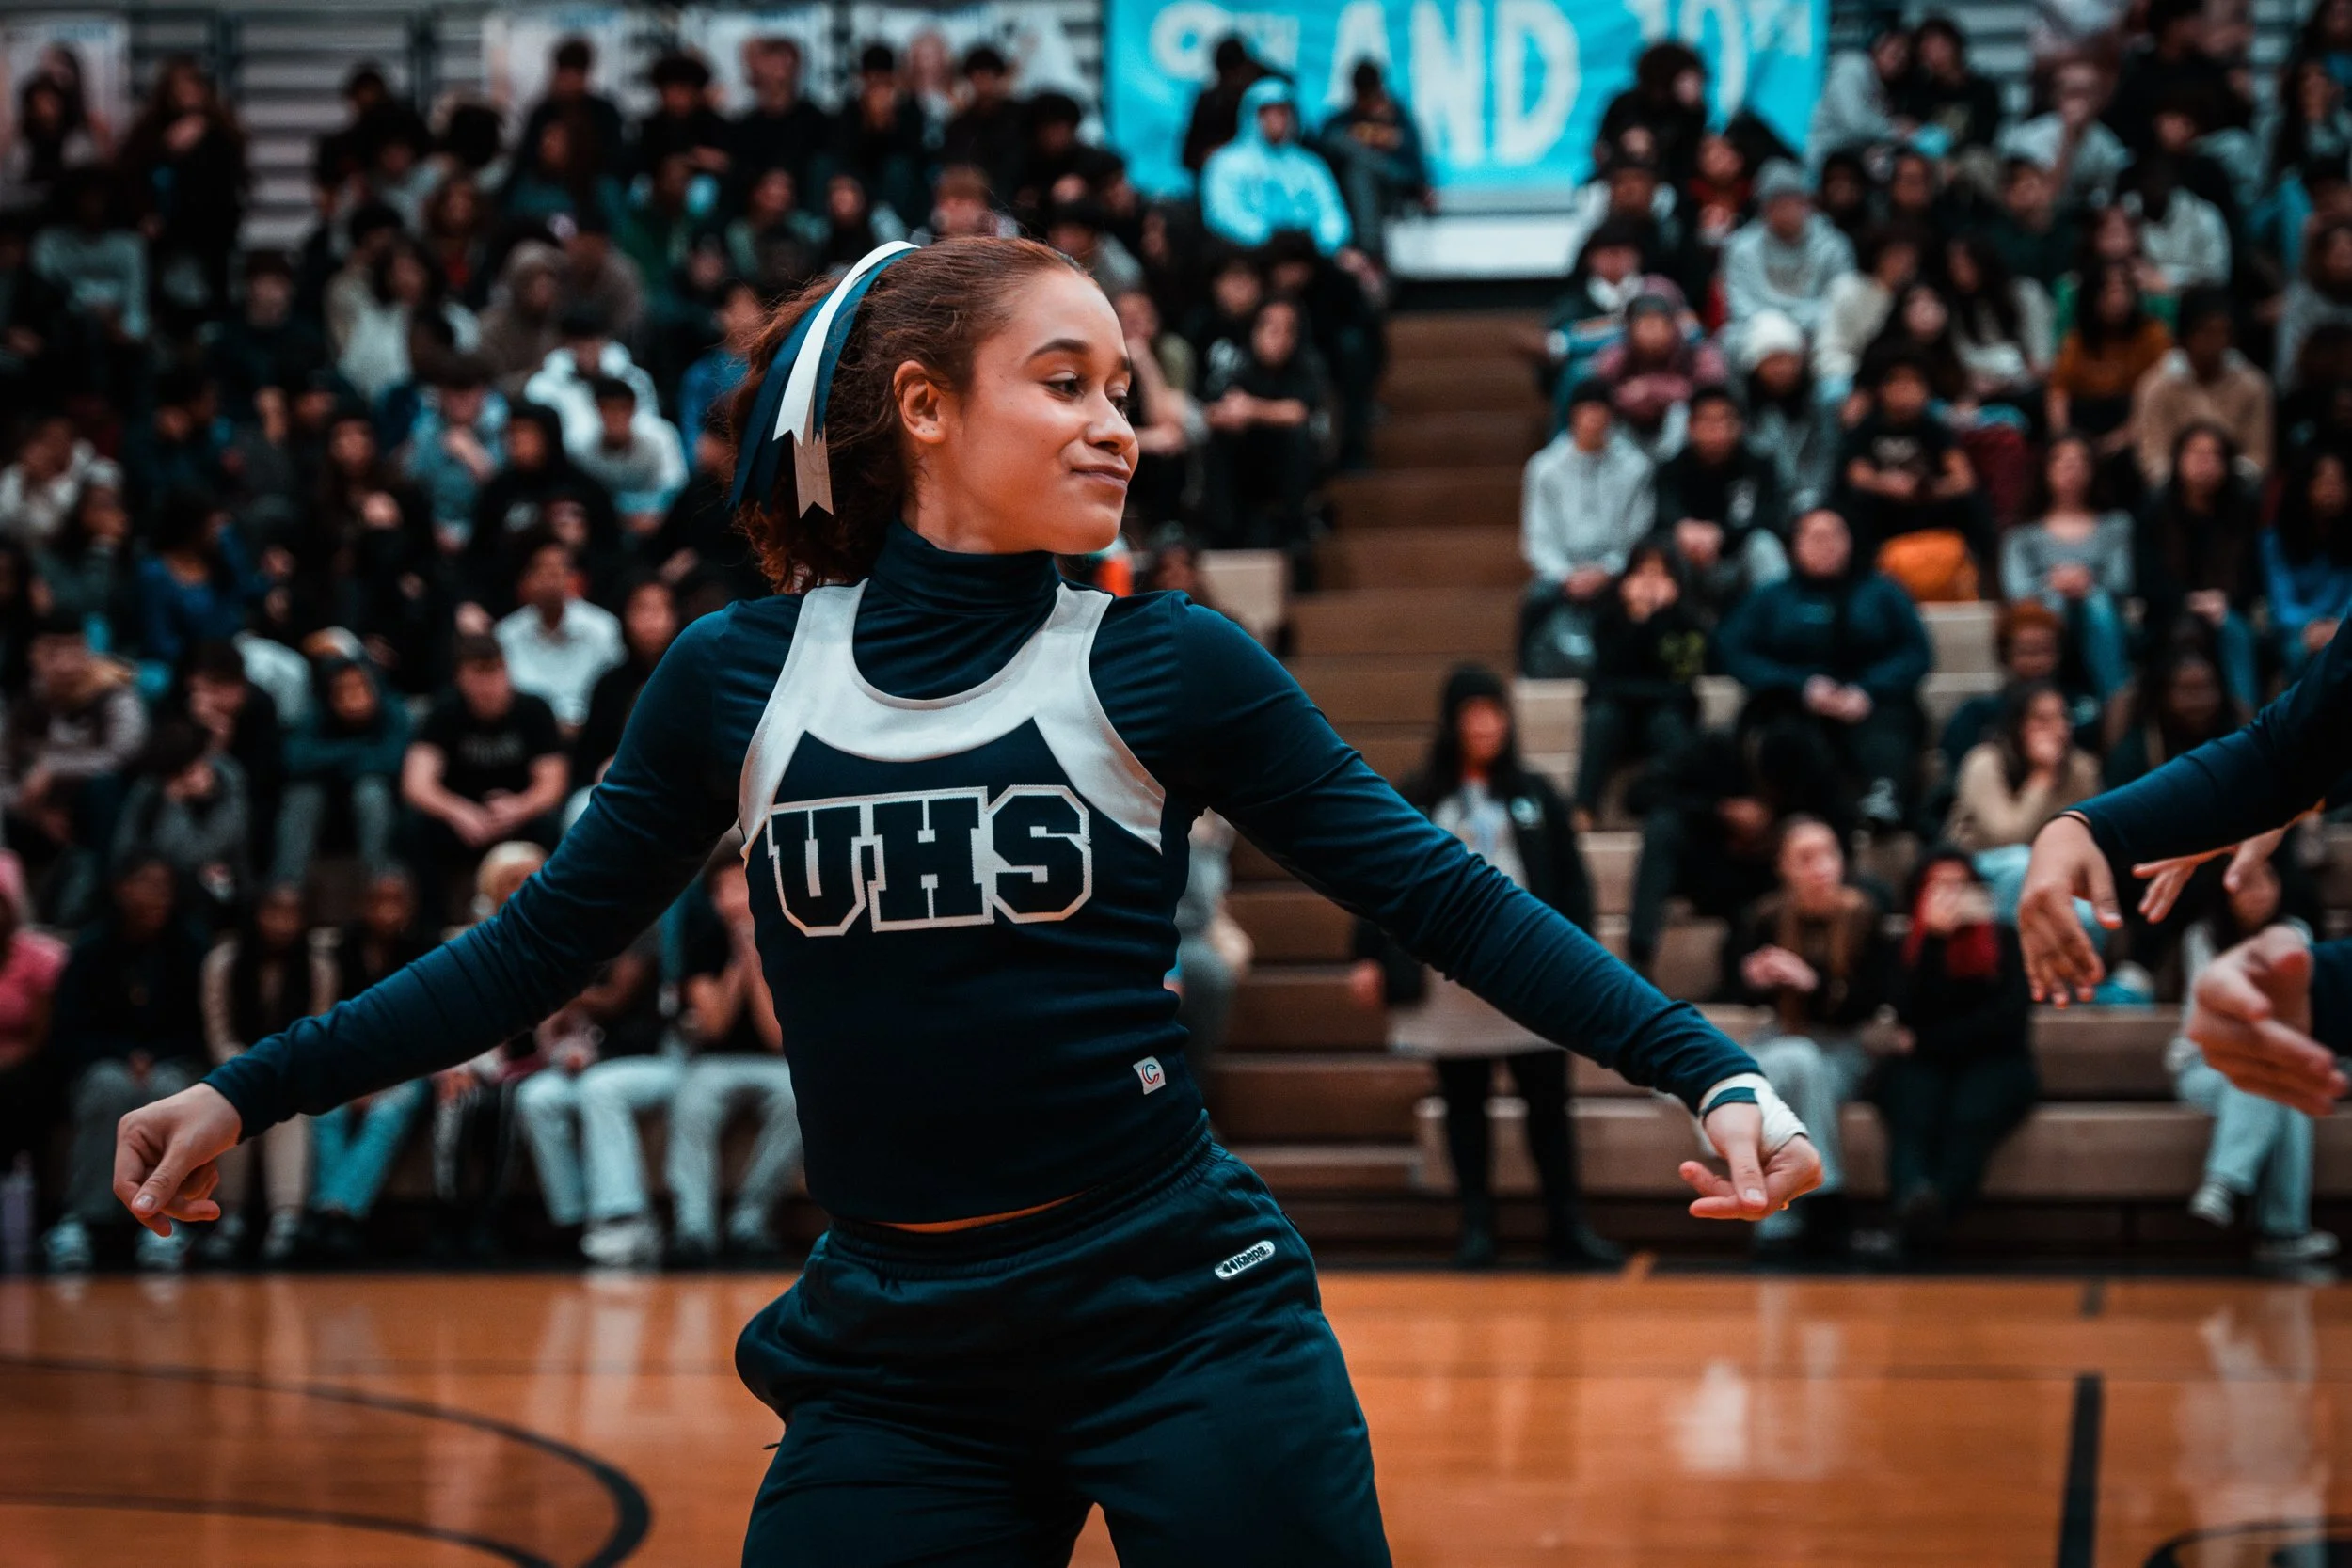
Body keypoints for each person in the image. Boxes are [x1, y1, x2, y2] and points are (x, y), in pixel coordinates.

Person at [116, 237, 1818, 1560]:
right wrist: (245, 1086)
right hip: (895, 1351)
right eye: (1066, 381)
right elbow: (533, 950)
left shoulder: (1169, 665)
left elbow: (1443, 891)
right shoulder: (735, 679)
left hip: (1181, 1314)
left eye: (1126, 387)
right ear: (923, 408)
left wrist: (1713, 1068)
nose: (1118, 423)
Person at [1358, 665, 1618, 1269]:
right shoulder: (1419, 794)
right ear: (1451, 721)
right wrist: (1368, 954)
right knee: (1463, 1104)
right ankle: (1476, 1227)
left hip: (1531, 975)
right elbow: (1372, 875)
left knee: (1548, 1103)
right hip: (1446, 982)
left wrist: (1580, 961)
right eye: (1471, 712)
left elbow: (1572, 886)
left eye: (1492, 711)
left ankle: (1566, 1225)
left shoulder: (1537, 793)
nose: (1483, 724)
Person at [1727, 816, 1893, 1254]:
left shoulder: (1865, 913)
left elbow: (1868, 1003)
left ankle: (1794, 1211)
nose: (1821, 867)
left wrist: (1811, 982)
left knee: (1799, 1065)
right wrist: (1753, 978)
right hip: (1784, 1035)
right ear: (1784, 867)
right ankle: (1813, 1206)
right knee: (1760, 1068)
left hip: (1845, 1044)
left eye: (1829, 854)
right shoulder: (1765, 916)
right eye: (1806, 858)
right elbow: (1737, 990)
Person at [2169, 853, 2339, 1263]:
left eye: (2266, 881)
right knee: (2265, 1075)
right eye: (2246, 883)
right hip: (2204, 1065)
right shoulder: (2201, 936)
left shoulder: (2295, 934)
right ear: (2226, 891)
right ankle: (2282, 1228)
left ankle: (2225, 1186)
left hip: (2272, 1059)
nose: (2258, 892)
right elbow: (2205, 1021)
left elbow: (2302, 1013)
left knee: (2281, 1087)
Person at [1718, 507, 1932, 830]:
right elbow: (1732, 650)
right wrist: (1800, 686)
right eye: (1816, 537)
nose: (1827, 545)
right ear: (1795, 545)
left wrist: (1867, 690)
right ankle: (1792, 815)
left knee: (1891, 726)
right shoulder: (1770, 597)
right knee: (1783, 733)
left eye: (1836, 535)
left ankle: (1884, 800)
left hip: (1870, 700)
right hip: (1795, 702)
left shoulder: (1882, 591)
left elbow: (1916, 651)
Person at [45, 853, 207, 1273]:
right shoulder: (92, 948)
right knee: (108, 1087)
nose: (157, 896)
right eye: (147, 884)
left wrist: (153, 1056)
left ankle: (165, 1218)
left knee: (168, 1094)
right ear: (121, 889)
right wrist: (121, 1055)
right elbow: (70, 1029)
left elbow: (198, 1027)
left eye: (165, 887)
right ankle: (82, 1219)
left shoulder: (189, 946)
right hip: (103, 1061)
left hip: (172, 1060)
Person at [1875, 849, 2036, 1257]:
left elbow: (2005, 1023)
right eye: (1938, 885)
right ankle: (1914, 1202)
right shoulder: (1907, 947)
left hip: (1996, 1063)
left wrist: (1928, 1040)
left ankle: (1925, 1216)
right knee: (1908, 1105)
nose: (1950, 895)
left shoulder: (2005, 941)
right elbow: (1908, 1010)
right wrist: (1933, 941)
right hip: (1929, 1064)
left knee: (1972, 1110)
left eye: (1959, 884)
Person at [669, 853, 803, 1264]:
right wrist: (736, 966)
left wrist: (757, 962)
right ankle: (694, 1229)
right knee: (692, 1102)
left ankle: (750, 1221)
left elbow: (777, 1036)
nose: (735, 900)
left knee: (799, 1101)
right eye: (725, 890)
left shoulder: (791, 936)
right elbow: (714, 1026)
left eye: (744, 888)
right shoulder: (702, 937)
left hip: (775, 1062)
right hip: (715, 1060)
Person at [198, 883, 326, 1266]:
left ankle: (286, 1219)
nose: (283, 923)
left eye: (292, 913)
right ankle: (230, 1217)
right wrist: (249, 1069)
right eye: (274, 911)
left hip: (293, 1069)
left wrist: (278, 1068)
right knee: (233, 1101)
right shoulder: (223, 962)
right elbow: (218, 1033)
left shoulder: (318, 966)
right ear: (255, 914)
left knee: (289, 1107)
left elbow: (318, 1031)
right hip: (232, 1067)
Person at [306, 869, 431, 1262]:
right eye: (379, 900)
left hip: (408, 1069)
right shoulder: (337, 952)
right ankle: (337, 1217)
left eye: (397, 901)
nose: (387, 910)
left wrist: (378, 1082)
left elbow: (428, 1032)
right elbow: (327, 1026)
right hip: (345, 1067)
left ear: (411, 907)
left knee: (389, 1109)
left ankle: (334, 1212)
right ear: (361, 905)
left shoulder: (427, 951)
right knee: (323, 1108)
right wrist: (356, 1080)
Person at [401, 633, 568, 921]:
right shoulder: (445, 712)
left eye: (494, 672)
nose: (487, 685)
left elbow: (553, 783)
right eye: (477, 675)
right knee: (415, 829)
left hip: (518, 816)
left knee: (551, 824)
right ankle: (431, 930)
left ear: (507, 670)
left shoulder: (533, 710)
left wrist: (519, 807)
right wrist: (458, 811)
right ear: (460, 678)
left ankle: (552, 920)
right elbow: (416, 783)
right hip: (462, 819)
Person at [1518, 381, 1655, 676]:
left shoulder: (1636, 467)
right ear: (1572, 416)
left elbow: (1638, 533)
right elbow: (1538, 538)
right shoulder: (1544, 468)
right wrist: (1566, 575)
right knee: (1533, 603)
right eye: (1586, 412)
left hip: (1617, 570)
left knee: (1643, 599)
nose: (1594, 420)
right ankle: (1529, 681)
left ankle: (1629, 678)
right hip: (1561, 573)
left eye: (1600, 412)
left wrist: (1609, 569)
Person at [1946, 681, 2104, 916]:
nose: (2057, 729)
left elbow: (2090, 833)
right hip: (1984, 866)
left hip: (2057, 867)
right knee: (2020, 864)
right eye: (2042, 720)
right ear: (2017, 725)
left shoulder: (2081, 768)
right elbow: (2007, 837)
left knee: (2091, 913)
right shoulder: (1984, 762)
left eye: (2062, 717)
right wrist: (2042, 777)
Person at [1837, 355, 1984, 601]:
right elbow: (1857, 475)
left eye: (1912, 385)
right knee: (1857, 504)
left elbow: (1964, 479)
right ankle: (1860, 583)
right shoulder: (1868, 428)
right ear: (1883, 391)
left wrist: (1931, 489)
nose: (1905, 393)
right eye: (1897, 385)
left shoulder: (1934, 428)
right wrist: (1887, 484)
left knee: (1972, 503)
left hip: (1928, 502)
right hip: (1884, 505)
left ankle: (1979, 573)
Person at [2137, 423, 2262, 709]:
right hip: (2166, 612)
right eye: (2195, 454)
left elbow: (2253, 577)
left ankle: (2246, 720)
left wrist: (2224, 601)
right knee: (2177, 632)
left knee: (2234, 630)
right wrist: (2188, 601)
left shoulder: (2243, 512)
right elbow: (2146, 578)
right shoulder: (2154, 510)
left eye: (2213, 455)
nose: (2204, 463)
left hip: (2227, 611)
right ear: (2177, 460)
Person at [2002, 434, 2136, 700]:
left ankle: (2116, 695)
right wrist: (2053, 584)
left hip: (2104, 616)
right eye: (2061, 461)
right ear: (2045, 469)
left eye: (2079, 462)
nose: (2070, 470)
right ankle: (2045, 694)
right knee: (2051, 603)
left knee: (2096, 602)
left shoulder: (2116, 525)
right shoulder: (2021, 533)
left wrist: (2086, 582)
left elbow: (2121, 581)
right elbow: (2017, 590)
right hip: (2046, 614)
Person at [1577, 542, 1706, 819]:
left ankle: (1682, 808)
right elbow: (1604, 676)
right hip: (1619, 716)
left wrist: (1662, 618)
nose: (1649, 583)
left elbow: (1683, 681)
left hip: (1664, 714)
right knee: (1602, 718)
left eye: (1659, 574)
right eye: (1643, 572)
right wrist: (1635, 620)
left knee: (1668, 723)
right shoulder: (1609, 618)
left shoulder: (1686, 621)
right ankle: (1583, 808)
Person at [1651, 388, 1789, 626]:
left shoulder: (1759, 465)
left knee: (1764, 546)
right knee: (1665, 550)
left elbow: (1772, 517)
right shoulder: (1671, 468)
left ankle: (1779, 625)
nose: (1717, 429)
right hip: (1692, 561)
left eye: (1725, 419)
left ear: (1740, 425)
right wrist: (1684, 527)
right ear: (1690, 427)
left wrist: (1720, 533)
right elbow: (1662, 512)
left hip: (1739, 560)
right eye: (1707, 420)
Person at [275, 653, 410, 884]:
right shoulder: (316, 715)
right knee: (303, 796)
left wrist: (333, 762)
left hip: (382, 802)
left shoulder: (393, 711)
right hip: (327, 804)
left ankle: (380, 883)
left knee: (371, 792)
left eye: (360, 686)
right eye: (344, 689)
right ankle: (287, 888)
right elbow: (295, 760)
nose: (355, 696)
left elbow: (392, 762)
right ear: (330, 695)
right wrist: (357, 753)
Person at [2130, 287, 2273, 485]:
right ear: (2186, 335)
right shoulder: (2157, 386)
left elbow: (2258, 455)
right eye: (2206, 332)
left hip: (2233, 486)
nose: (2215, 341)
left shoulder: (2253, 385)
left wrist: (2221, 476)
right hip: (2174, 487)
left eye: (2223, 332)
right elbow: (2152, 456)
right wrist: (2188, 478)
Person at [1200, 79, 1353, 257]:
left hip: (1309, 255)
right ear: (1251, 115)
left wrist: (1322, 242)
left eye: (1283, 111)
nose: (1277, 120)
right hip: (1250, 255)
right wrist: (1271, 240)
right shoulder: (1226, 163)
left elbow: (1332, 211)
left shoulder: (1310, 165)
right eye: (1268, 112)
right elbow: (1222, 214)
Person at [1720, 162, 1856, 342]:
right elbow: (1740, 304)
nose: (1785, 211)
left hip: (1818, 329)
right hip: (1761, 330)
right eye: (1776, 204)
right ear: (1764, 210)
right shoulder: (1741, 248)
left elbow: (1841, 300)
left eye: (1792, 202)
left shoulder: (1832, 244)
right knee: (1729, 339)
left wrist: (1797, 325)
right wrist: (1778, 328)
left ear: (1807, 204)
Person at [2263, 448, 2352, 679]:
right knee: (2298, 653)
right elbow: (2281, 605)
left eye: (2339, 481)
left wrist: (2338, 628)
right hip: (2298, 633)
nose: (2332, 489)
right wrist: (2314, 628)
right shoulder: (2276, 540)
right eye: (2322, 480)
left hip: (2345, 629)